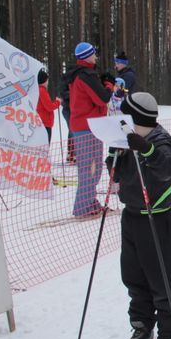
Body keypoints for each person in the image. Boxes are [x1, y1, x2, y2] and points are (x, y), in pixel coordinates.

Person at [104, 92, 171, 339]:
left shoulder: (161, 141)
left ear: (136, 117)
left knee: (161, 276)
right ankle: (141, 327)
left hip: (157, 216)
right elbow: (117, 176)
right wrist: (113, 156)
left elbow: (166, 169)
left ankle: (170, 332)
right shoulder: (127, 141)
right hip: (132, 214)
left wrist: (146, 150)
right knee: (133, 274)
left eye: (125, 115)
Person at [65, 42, 114, 217]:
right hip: (88, 126)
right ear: (88, 56)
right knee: (90, 168)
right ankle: (82, 207)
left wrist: (102, 82)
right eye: (94, 54)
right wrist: (108, 85)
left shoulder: (80, 74)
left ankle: (89, 201)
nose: (96, 57)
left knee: (94, 167)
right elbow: (102, 98)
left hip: (86, 125)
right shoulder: (85, 75)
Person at [35, 68, 61, 143]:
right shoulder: (42, 91)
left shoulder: (38, 90)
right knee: (45, 146)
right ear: (44, 80)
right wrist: (57, 102)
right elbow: (49, 107)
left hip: (42, 122)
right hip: (45, 123)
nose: (48, 82)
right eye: (47, 80)